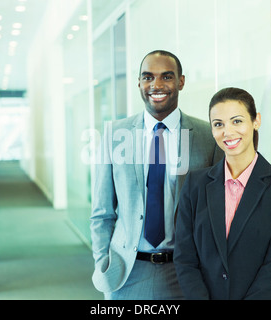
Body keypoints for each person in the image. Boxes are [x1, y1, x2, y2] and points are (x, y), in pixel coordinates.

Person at [90, 50, 223, 300]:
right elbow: (102, 212)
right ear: (139, 82)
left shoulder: (208, 138)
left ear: (181, 81)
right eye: (148, 77)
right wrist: (103, 261)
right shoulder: (114, 134)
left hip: (185, 273)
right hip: (126, 273)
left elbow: (216, 214)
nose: (157, 85)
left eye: (167, 77)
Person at [174, 87, 271, 300]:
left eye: (237, 121)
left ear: (256, 121)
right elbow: (184, 258)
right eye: (218, 124)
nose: (228, 132)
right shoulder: (195, 184)